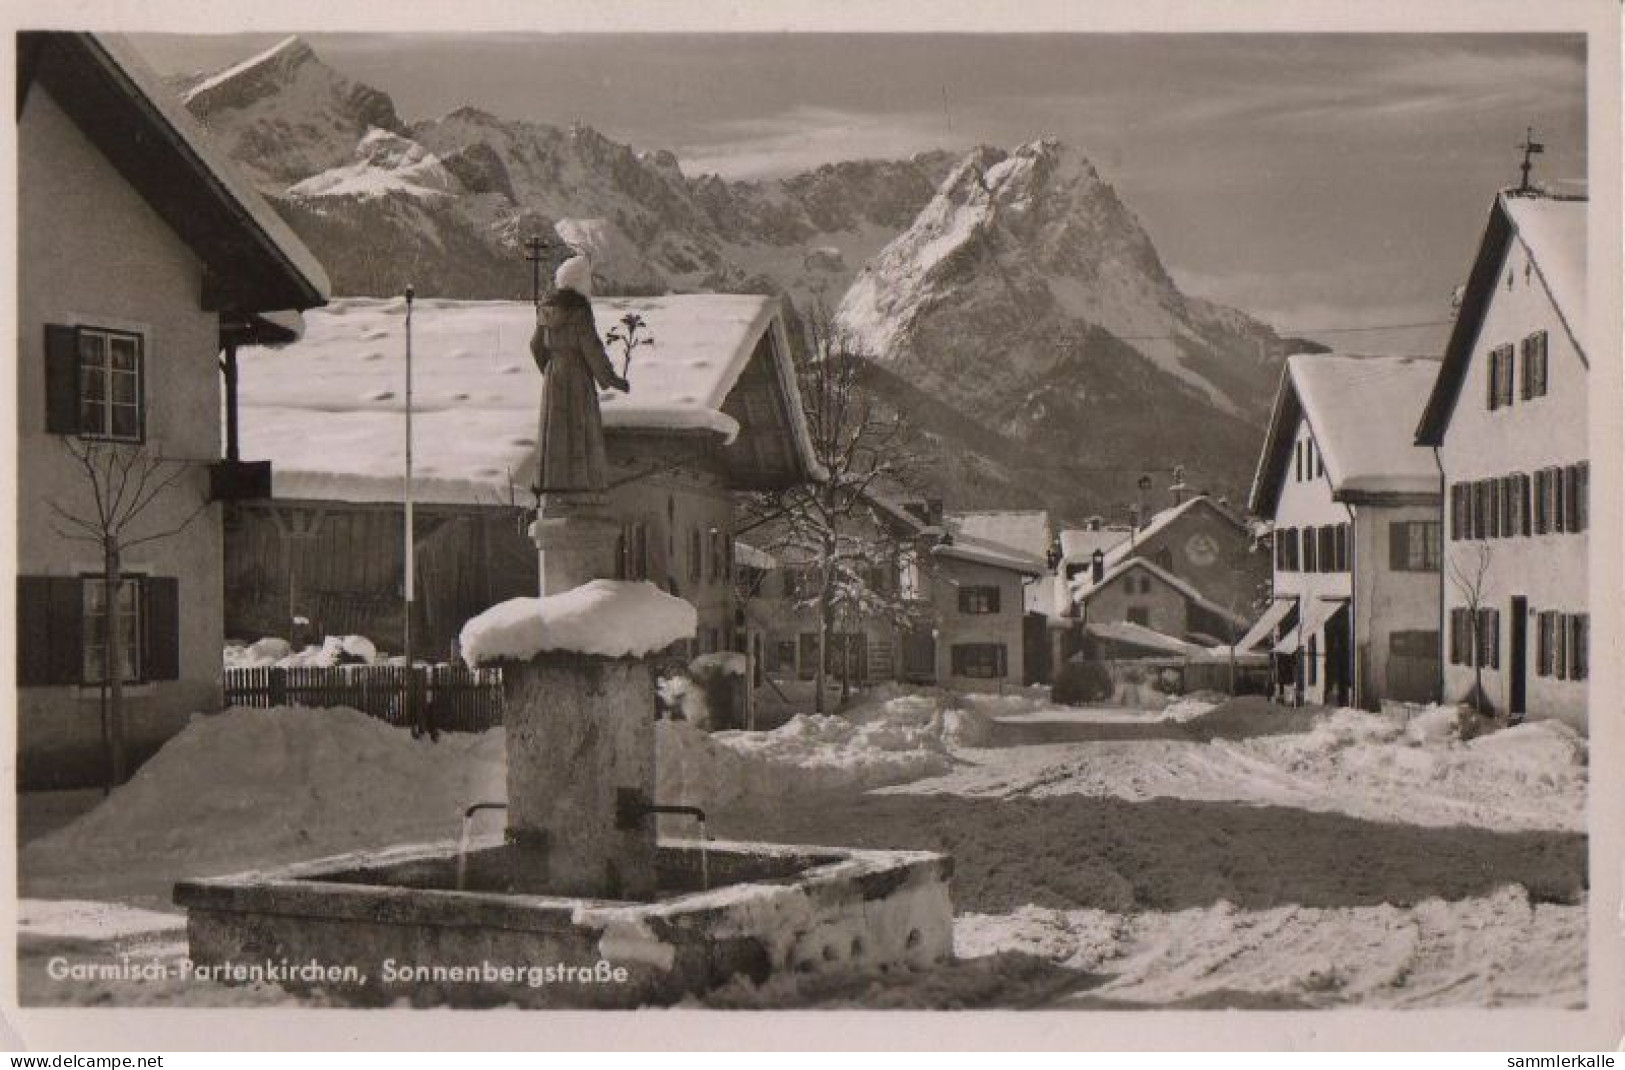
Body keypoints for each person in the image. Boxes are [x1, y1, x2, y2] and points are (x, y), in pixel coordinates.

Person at [530, 254, 630, 493]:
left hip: (554, 375)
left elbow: (535, 345)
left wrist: (550, 369)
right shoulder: (579, 312)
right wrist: (611, 379)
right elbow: (591, 349)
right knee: (579, 430)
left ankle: (553, 483)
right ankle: (580, 484)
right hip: (576, 375)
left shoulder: (546, 311)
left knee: (554, 432)